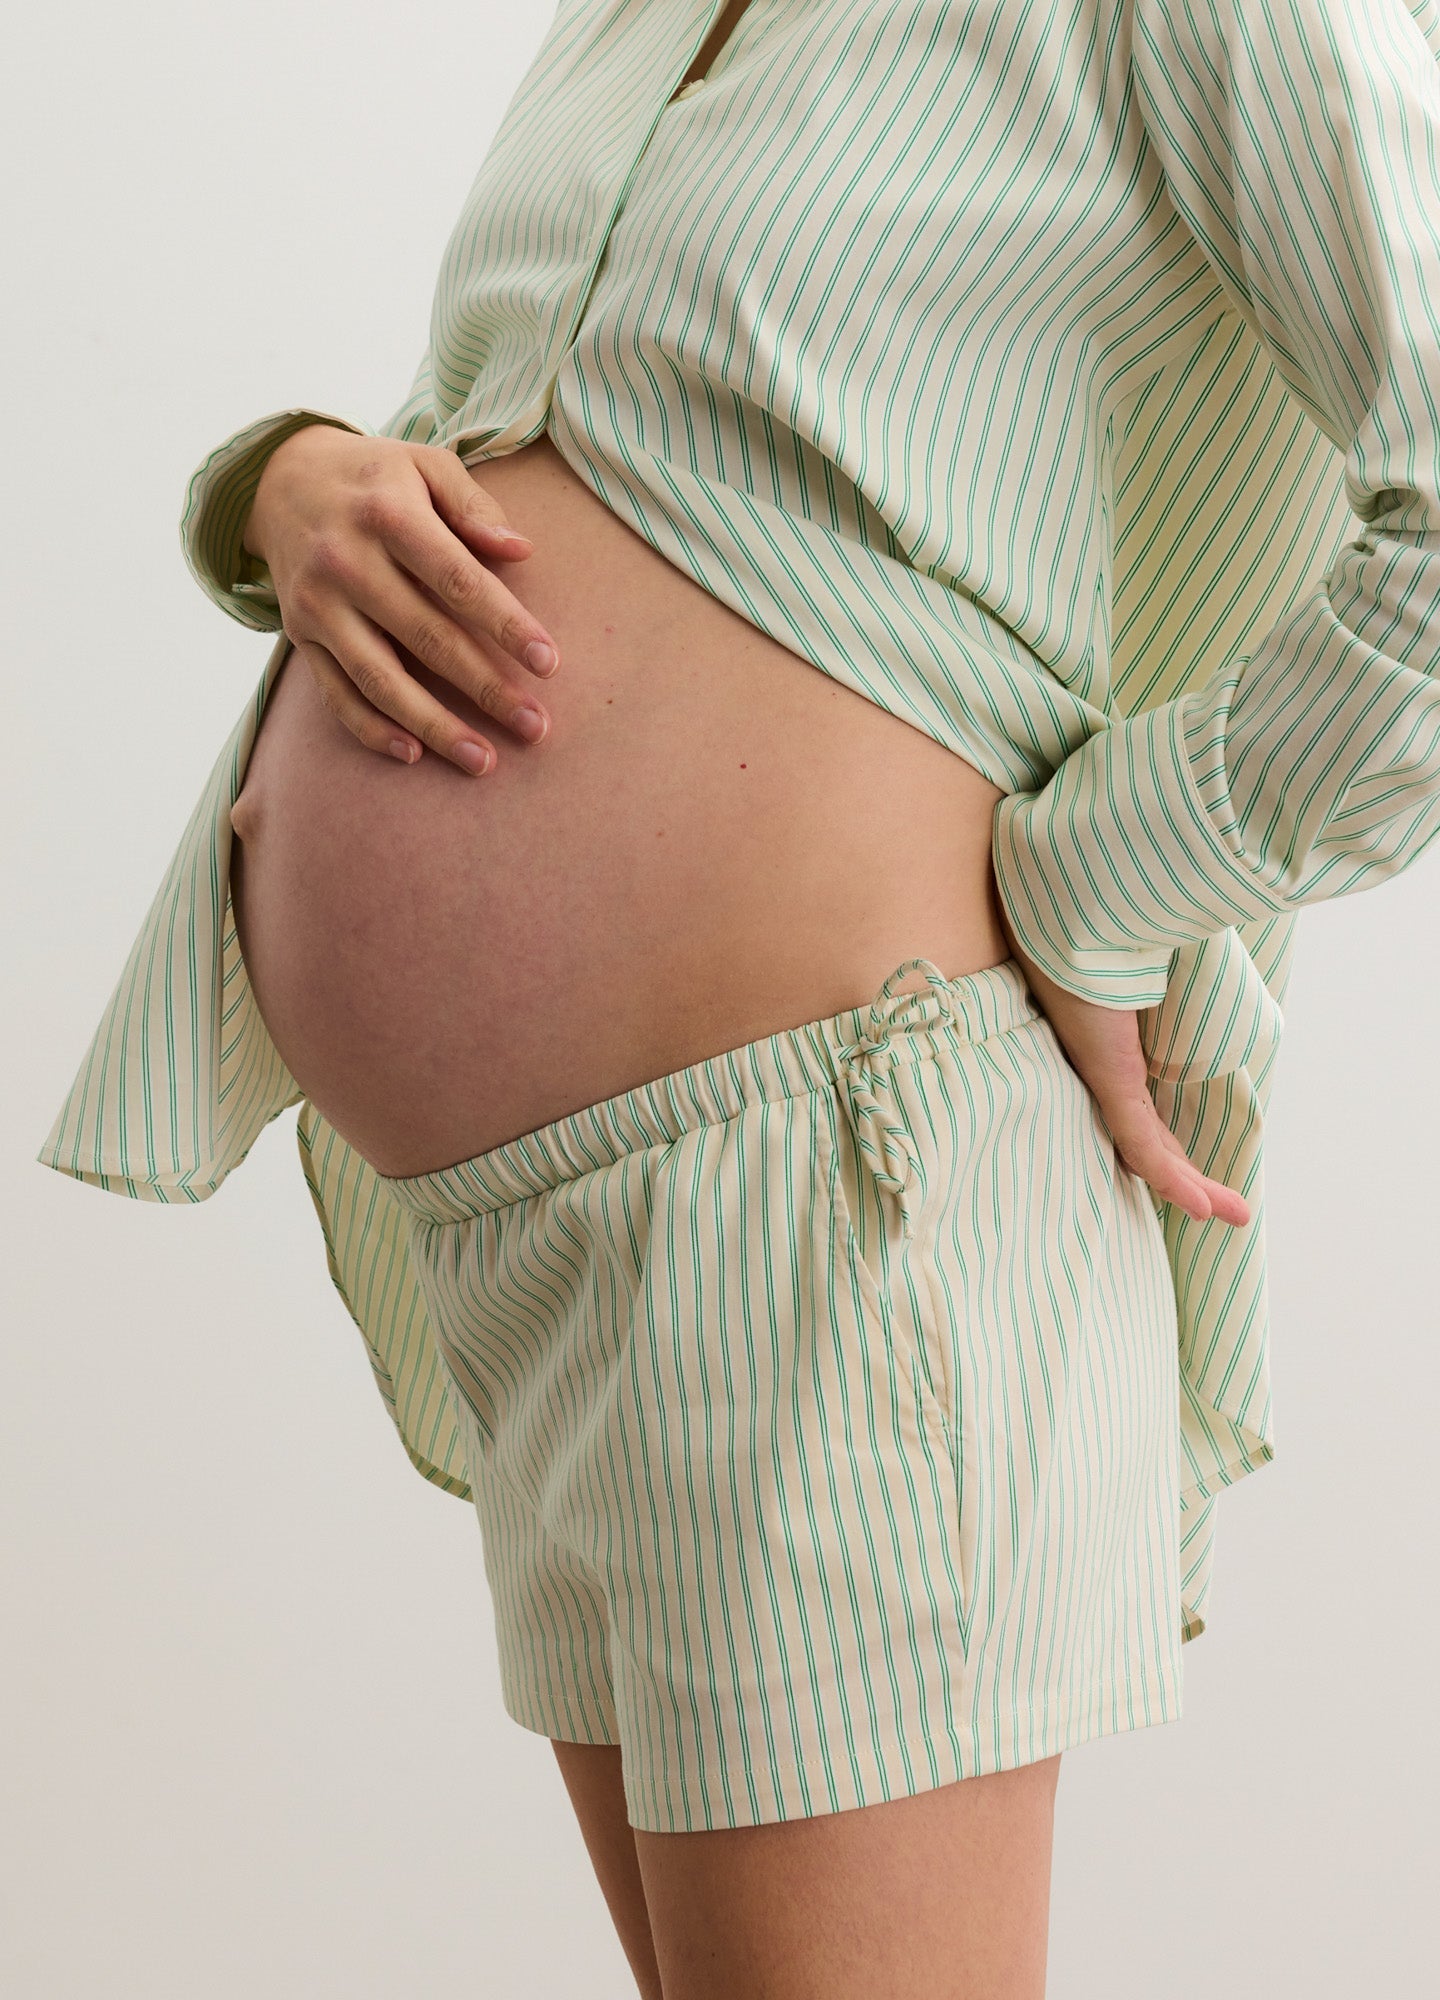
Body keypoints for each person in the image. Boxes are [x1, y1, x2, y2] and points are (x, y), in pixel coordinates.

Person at [37, 3, 1440, 1993]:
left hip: (843, 1191)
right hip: (548, 1234)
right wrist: (287, 483)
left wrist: (1116, 862)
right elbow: (588, 433)